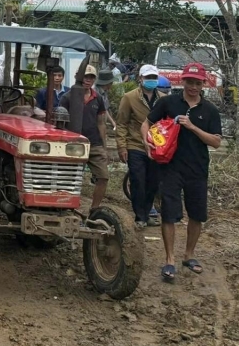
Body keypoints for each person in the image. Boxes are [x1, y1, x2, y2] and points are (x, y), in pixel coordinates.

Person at [142, 62, 223, 282]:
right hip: (170, 167)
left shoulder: (210, 110)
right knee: (169, 213)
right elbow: (147, 123)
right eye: (189, 82)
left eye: (197, 83)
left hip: (197, 169)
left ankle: (189, 255)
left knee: (197, 214)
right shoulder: (168, 102)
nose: (193, 87)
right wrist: (147, 142)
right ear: (183, 81)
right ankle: (169, 259)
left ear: (203, 84)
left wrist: (193, 127)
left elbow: (216, 142)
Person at [60, 65, 111, 215]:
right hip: (73, 145)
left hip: (94, 144)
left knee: (103, 177)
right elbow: (60, 124)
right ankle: (66, 207)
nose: (88, 80)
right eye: (85, 76)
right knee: (71, 178)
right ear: (78, 77)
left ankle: (94, 210)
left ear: (95, 80)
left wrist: (104, 147)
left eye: (91, 77)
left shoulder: (98, 98)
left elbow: (101, 123)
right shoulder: (67, 97)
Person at [116, 64, 162, 228]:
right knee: (138, 181)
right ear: (140, 78)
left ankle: (147, 212)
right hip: (135, 145)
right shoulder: (129, 98)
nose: (151, 80)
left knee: (153, 183)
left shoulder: (163, 99)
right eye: (148, 77)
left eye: (154, 77)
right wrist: (122, 146)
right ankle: (140, 216)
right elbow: (122, 123)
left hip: (156, 147)